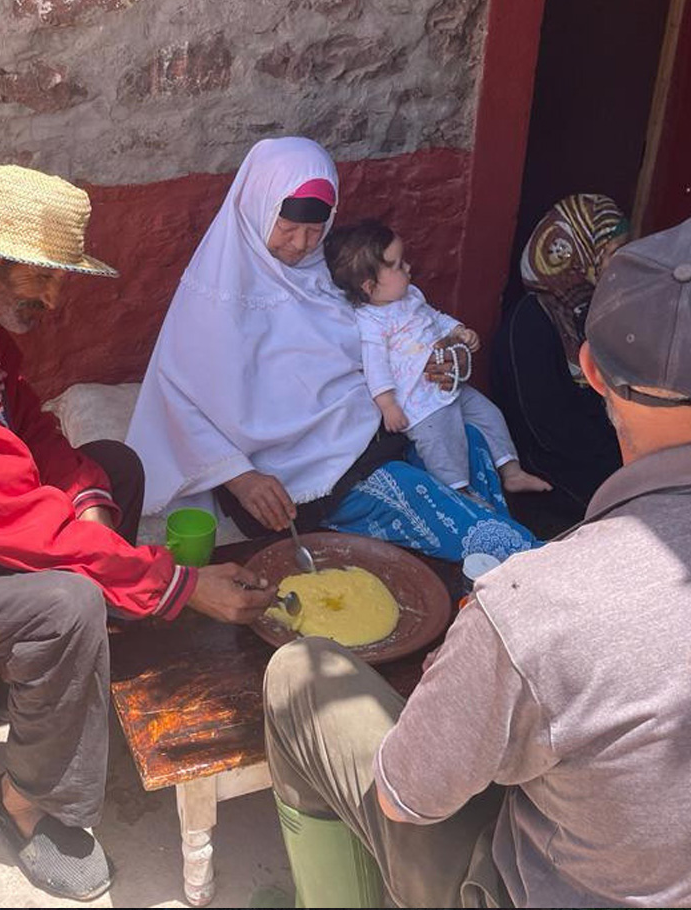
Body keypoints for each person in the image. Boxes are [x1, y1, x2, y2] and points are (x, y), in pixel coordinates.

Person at [263, 217, 691, 908]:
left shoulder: (535, 603)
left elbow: (409, 796)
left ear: (589, 370)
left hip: (542, 889)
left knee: (296, 675)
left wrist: (478, 667)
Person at [0, 163, 273, 901]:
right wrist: (176, 584)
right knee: (68, 605)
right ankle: (25, 803)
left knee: (110, 469)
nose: (54, 298)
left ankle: (44, 692)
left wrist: (88, 497)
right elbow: (13, 519)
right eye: (42, 278)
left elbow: (27, 425)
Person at [126, 137, 538, 564]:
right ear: (257, 207)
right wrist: (240, 478)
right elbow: (176, 398)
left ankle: (491, 572)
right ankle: (534, 571)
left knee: (471, 444)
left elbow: (391, 335)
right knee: (454, 518)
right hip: (307, 480)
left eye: (315, 229)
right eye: (287, 227)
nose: (302, 244)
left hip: (382, 432)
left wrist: (429, 361)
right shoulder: (213, 298)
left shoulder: (332, 274)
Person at [324, 219, 551, 496]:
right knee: (444, 444)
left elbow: (434, 318)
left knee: (490, 415)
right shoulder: (371, 323)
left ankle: (512, 471)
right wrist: (387, 405)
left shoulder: (411, 296)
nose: (407, 268)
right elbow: (376, 366)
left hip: (449, 385)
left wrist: (458, 330)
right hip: (420, 404)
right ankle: (460, 493)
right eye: (397, 265)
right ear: (369, 287)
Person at [491, 193, 629, 514]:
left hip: (602, 450)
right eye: (613, 253)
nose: (622, 265)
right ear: (576, 251)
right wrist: (619, 456)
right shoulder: (530, 322)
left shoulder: (595, 310)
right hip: (550, 468)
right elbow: (547, 428)